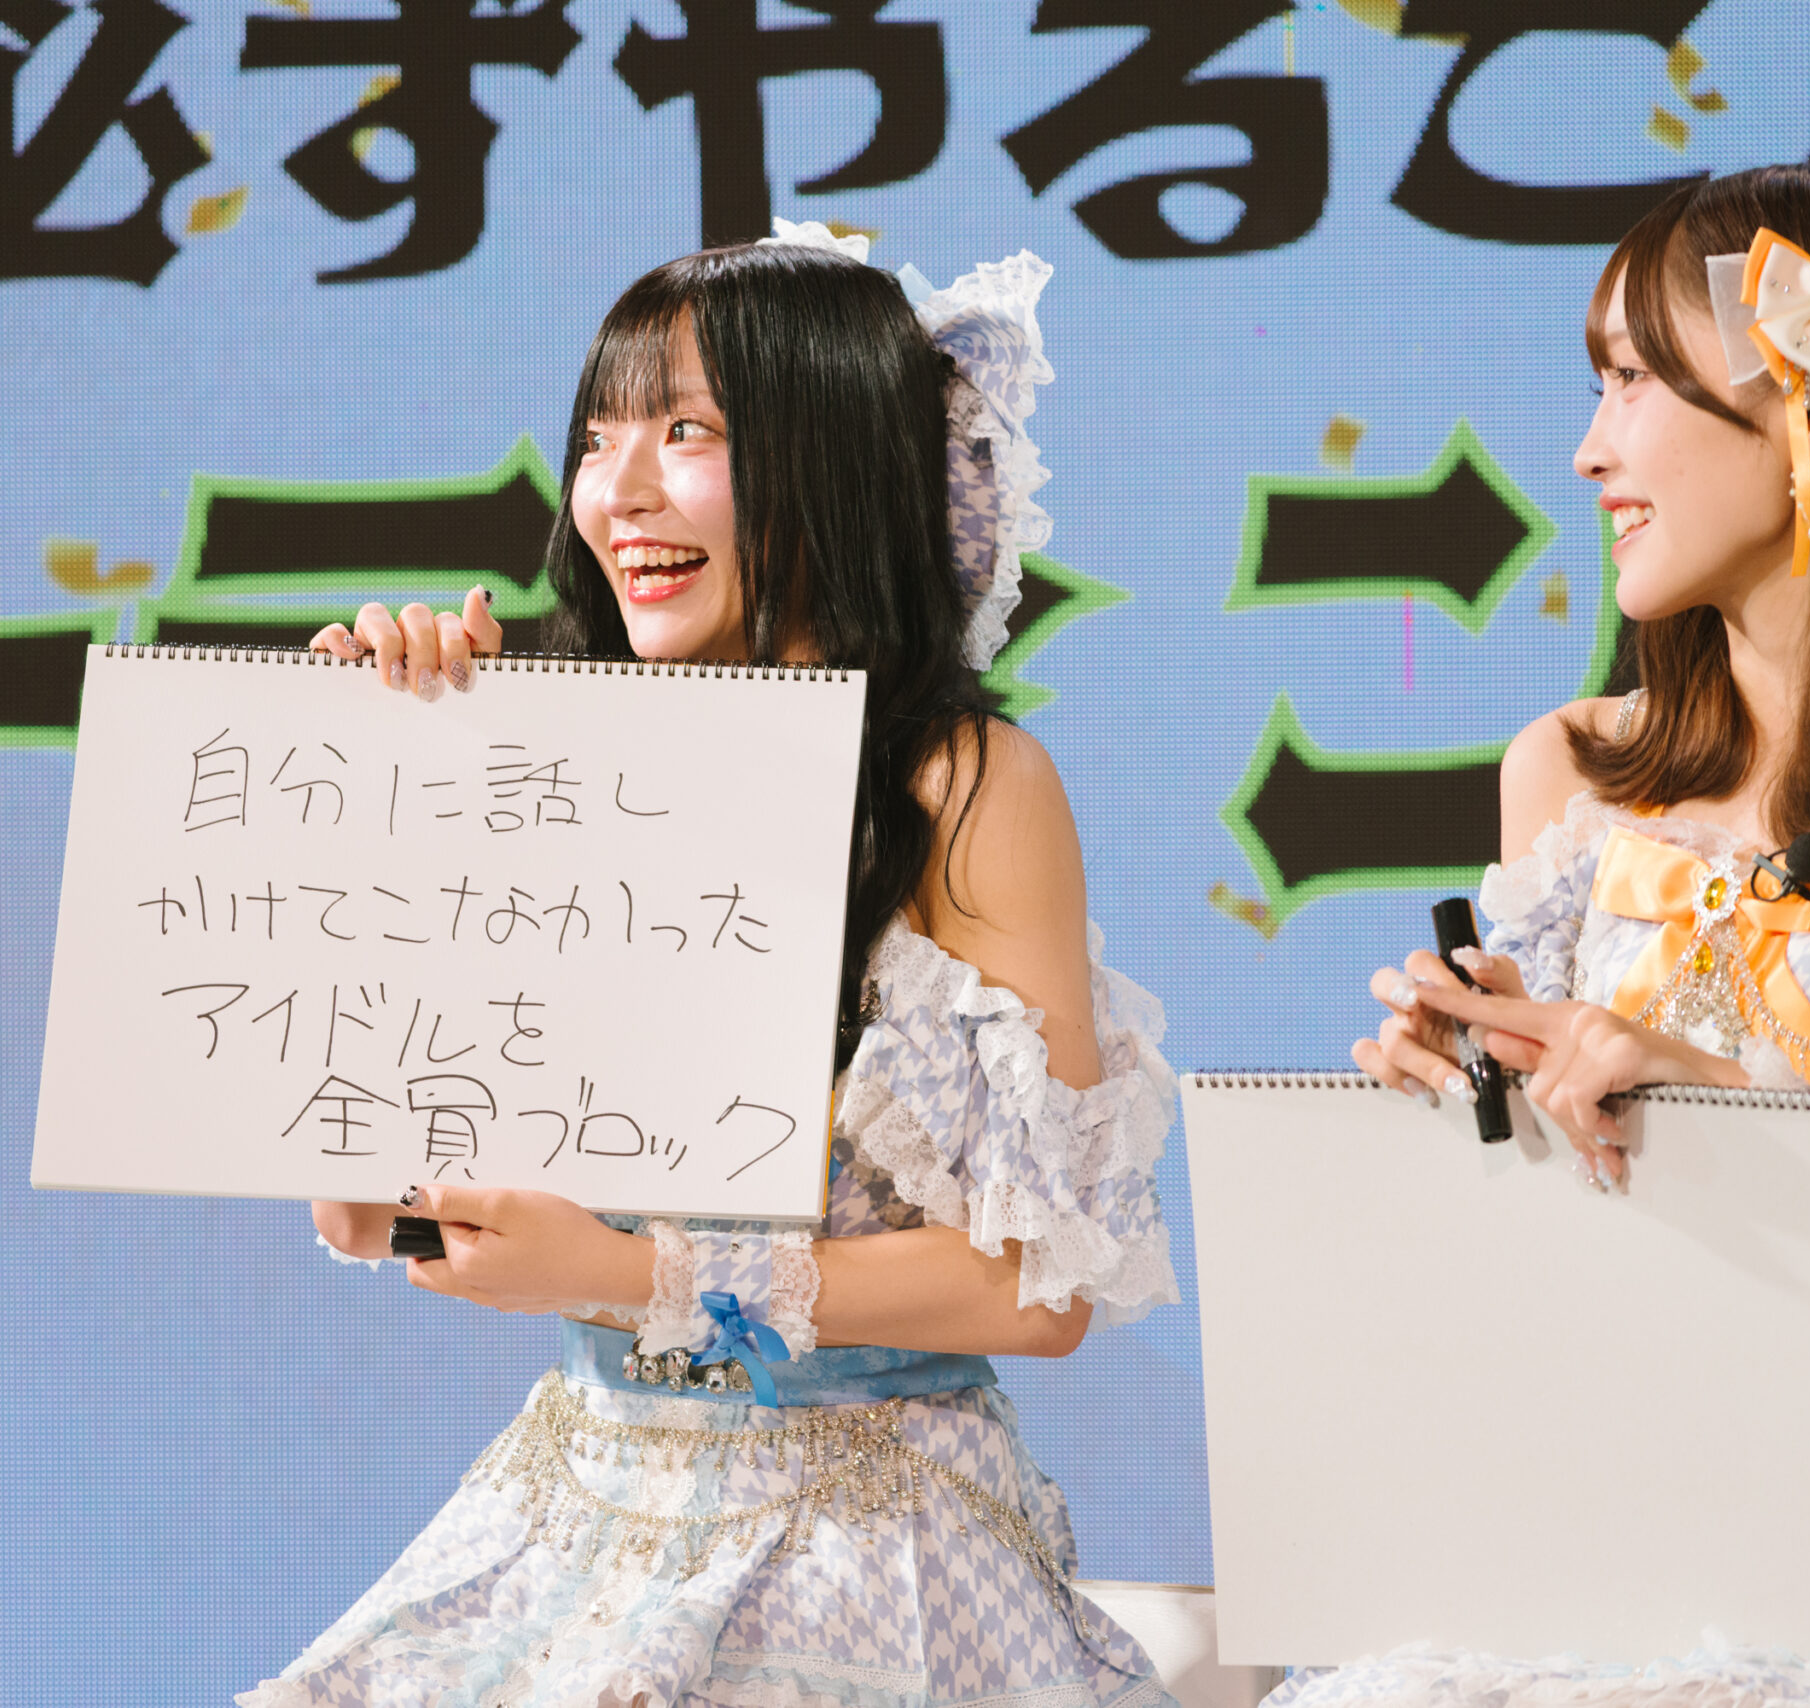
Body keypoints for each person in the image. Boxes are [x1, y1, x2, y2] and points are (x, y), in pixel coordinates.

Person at [238, 225, 1182, 1707]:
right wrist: (385, 815)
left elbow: (1035, 1289)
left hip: (867, 1534)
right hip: (572, 1516)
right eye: (597, 436)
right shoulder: (547, 760)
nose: (617, 492)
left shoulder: (961, 786)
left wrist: (631, 1274)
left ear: (837, 461)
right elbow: (370, 1218)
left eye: (687, 432)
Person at [1343, 163, 1810, 1706]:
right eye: (1596, 384)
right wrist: (1475, 1090)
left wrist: (1717, 1111)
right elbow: (1568, 1230)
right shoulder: (1569, 769)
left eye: (1634, 381)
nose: (1589, 450)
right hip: (1616, 1511)